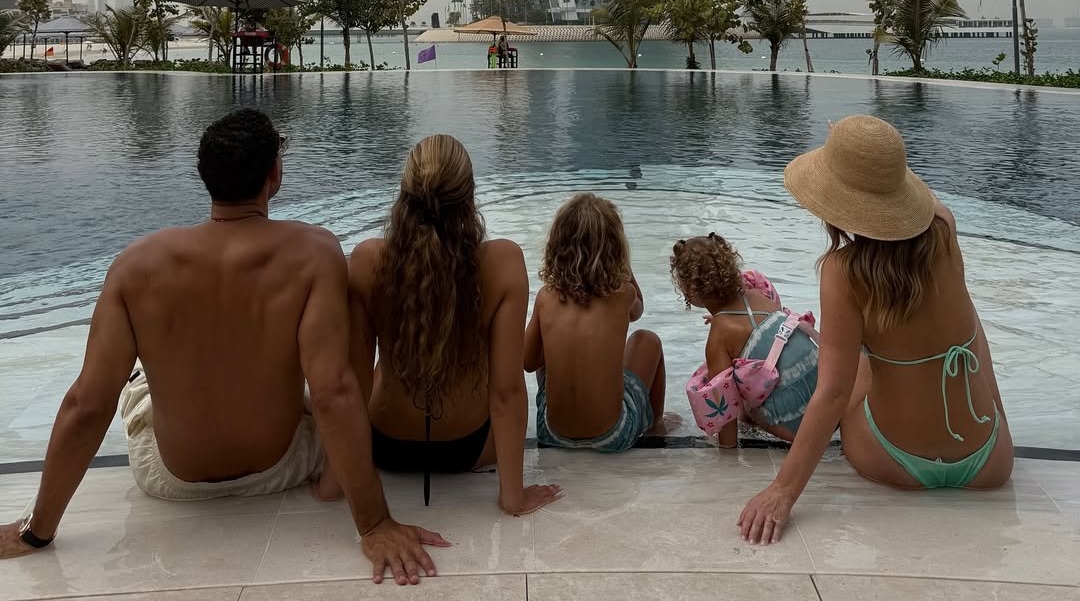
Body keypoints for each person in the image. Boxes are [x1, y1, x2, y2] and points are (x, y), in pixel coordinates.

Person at [0, 108, 447, 586]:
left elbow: (87, 404)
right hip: (280, 467)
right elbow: (333, 392)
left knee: (139, 382)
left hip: (169, 479)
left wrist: (36, 532)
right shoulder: (314, 252)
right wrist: (375, 523)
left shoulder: (135, 265)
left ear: (204, 176)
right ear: (274, 175)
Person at [738, 115, 1014, 545]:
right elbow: (923, 202)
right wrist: (876, 168)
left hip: (898, 463)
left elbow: (832, 394)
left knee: (855, 366)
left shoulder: (842, 271)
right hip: (990, 458)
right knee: (970, 324)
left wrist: (783, 491)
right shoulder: (945, 231)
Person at [328, 134, 561, 515]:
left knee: (363, 377)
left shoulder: (368, 260)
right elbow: (506, 391)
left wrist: (332, 480)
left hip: (383, 443)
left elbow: (348, 382)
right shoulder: (503, 263)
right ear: (470, 197)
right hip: (467, 447)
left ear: (403, 196)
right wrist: (513, 495)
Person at [524, 193, 665, 451]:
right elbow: (638, 312)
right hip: (613, 434)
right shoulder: (623, 295)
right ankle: (656, 422)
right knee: (648, 340)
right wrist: (624, 269)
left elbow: (529, 361)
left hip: (552, 432)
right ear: (616, 248)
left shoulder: (546, 297)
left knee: (547, 343)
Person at [671, 234, 836, 447]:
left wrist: (727, 454)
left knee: (736, 392)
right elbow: (763, 337)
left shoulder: (720, 333)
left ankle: (757, 424)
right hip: (829, 403)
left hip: (797, 426)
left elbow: (724, 406)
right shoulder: (759, 296)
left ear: (687, 288)